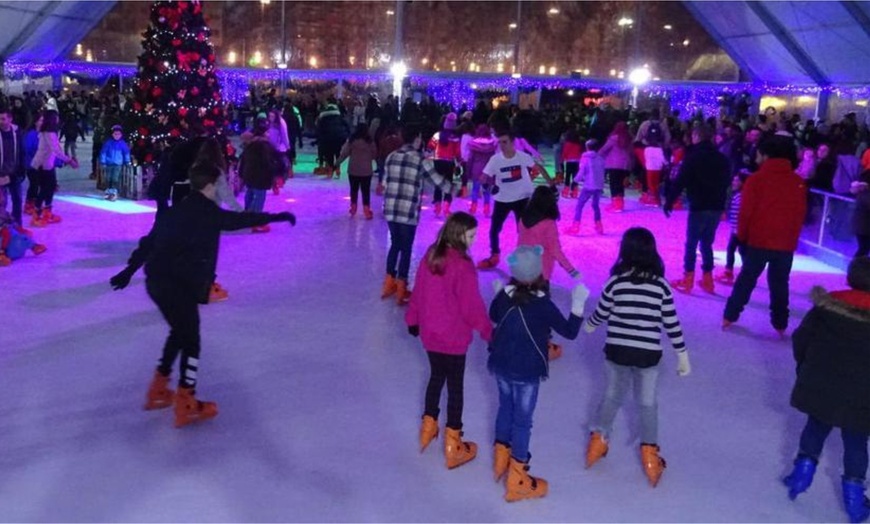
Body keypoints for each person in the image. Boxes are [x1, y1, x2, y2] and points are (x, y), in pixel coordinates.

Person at [108, 162, 296, 428]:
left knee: (179, 332)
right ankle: (186, 400)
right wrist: (276, 217)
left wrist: (128, 272)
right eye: (219, 184)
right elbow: (240, 220)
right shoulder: (208, 213)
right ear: (209, 186)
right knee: (191, 339)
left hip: (157, 282)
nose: (222, 188)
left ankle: (159, 388)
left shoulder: (177, 210)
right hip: (178, 286)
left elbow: (150, 242)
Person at [583, 227, 691, 487]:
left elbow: (602, 311)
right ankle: (650, 455)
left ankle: (597, 442)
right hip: (647, 355)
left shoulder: (616, 282)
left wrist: (590, 324)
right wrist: (682, 354)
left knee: (611, 395)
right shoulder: (661, 286)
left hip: (617, 351)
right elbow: (671, 323)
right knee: (647, 403)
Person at [487, 245, 587, 501]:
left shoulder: (505, 297)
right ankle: (517, 476)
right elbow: (569, 331)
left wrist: (498, 293)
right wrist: (577, 305)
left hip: (501, 364)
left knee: (505, 409)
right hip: (527, 371)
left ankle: (501, 459)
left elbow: (493, 315)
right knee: (522, 421)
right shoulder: (543, 304)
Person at [783, 257, 870, 524]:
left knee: (815, 427)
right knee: (856, 442)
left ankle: (800, 476)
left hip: (823, 383)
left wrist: (805, 367)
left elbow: (801, 338)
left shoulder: (826, 307)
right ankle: (855, 500)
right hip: (863, 393)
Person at [405, 212, 492, 469]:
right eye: (471, 235)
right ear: (458, 234)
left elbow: (418, 290)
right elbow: (472, 307)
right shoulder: (462, 266)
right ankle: (454, 443)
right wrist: (489, 332)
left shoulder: (432, 254)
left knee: (436, 377)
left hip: (430, 334)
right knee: (455, 386)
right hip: (453, 336)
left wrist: (413, 319)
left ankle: (428, 426)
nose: (474, 241)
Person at [723, 135, 807, 336]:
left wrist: (741, 237)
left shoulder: (756, 180)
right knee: (779, 284)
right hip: (785, 244)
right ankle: (780, 323)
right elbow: (799, 213)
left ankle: (730, 315)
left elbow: (746, 213)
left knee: (746, 280)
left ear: (766, 154)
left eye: (759, 153)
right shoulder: (798, 182)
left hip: (758, 241)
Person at [381, 124, 454, 305]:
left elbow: (384, 181)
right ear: (416, 139)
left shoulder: (391, 157)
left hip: (391, 210)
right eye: (420, 138)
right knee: (406, 249)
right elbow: (438, 181)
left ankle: (389, 282)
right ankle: (401, 287)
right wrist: (456, 189)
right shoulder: (420, 160)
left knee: (395, 245)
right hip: (408, 212)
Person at [664, 124, 731, 294]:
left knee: (692, 242)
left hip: (699, 204)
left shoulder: (693, 157)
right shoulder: (721, 158)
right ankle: (708, 280)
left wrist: (670, 200)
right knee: (707, 242)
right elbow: (727, 183)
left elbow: (681, 180)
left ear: (696, 136)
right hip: (716, 206)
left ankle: (688, 278)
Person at [478, 129, 553, 270]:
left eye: (505, 142)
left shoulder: (522, 157)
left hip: (522, 199)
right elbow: (483, 177)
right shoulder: (495, 159)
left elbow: (539, 168)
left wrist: (552, 185)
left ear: (513, 142)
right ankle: (494, 255)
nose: (501, 145)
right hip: (502, 200)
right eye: (499, 142)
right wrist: (489, 187)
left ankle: (525, 256)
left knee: (524, 229)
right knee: (494, 229)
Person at [29, 110, 76, 227]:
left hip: (47, 165)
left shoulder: (49, 132)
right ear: (53, 119)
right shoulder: (49, 133)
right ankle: (37, 214)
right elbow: (56, 150)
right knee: (45, 189)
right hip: (42, 165)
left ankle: (47, 212)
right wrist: (69, 160)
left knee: (50, 188)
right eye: (57, 117)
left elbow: (55, 150)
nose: (58, 119)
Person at [716, 172, 750, 285]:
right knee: (733, 250)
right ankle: (730, 271)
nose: (733, 183)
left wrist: (739, 229)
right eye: (734, 180)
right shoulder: (738, 195)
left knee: (741, 251)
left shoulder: (742, 197)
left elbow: (742, 215)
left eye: (737, 180)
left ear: (743, 183)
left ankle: (746, 273)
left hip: (740, 231)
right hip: (735, 230)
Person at [566, 139, 606, 235]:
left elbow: (581, 173)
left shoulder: (585, 159)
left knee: (579, 205)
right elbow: (602, 173)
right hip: (598, 186)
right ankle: (599, 225)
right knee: (595, 206)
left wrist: (574, 181)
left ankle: (576, 226)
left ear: (587, 147)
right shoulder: (601, 159)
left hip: (588, 186)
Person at [338, 123, 377, 219]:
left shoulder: (351, 141)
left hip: (353, 170)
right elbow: (375, 154)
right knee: (366, 190)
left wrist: (337, 162)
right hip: (366, 171)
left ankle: (353, 207)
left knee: (354, 189)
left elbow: (344, 153)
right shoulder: (370, 142)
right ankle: (366, 209)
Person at [430, 113, 462, 217]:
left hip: (438, 161)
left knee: (438, 185)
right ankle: (446, 207)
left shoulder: (437, 135)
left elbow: (430, 146)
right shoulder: (455, 138)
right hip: (450, 162)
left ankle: (437, 207)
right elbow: (457, 152)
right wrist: (459, 160)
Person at [0, 105, 26, 225]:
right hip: (1, 174)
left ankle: (17, 226)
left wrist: (21, 170)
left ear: (10, 119)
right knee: (1, 203)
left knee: (17, 200)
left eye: (3, 119)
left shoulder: (17, 133)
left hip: (14, 173)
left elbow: (21, 152)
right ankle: (2, 228)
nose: (1, 122)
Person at [601, 121, 634, 213]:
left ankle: (615, 204)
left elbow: (604, 149)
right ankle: (620, 204)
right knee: (620, 184)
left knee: (614, 184)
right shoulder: (629, 138)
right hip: (625, 165)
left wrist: (599, 155)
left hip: (613, 164)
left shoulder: (614, 138)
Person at [466, 123, 497, 216]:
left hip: (476, 169)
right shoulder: (492, 145)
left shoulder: (473, 145)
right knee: (487, 190)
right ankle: (486, 208)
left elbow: (470, 159)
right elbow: (493, 160)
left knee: (475, 189)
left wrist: (468, 171)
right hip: (488, 171)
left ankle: (473, 207)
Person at [98, 125, 131, 201]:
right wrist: (103, 161)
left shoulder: (122, 143)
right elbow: (103, 152)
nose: (117, 136)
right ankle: (108, 191)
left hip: (118, 164)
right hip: (109, 163)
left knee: (115, 178)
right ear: (112, 134)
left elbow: (126, 153)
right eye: (115, 134)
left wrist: (127, 161)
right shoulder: (108, 143)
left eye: (118, 134)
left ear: (121, 135)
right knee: (108, 178)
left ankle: (114, 192)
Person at [852, 171, 870, 258]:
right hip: (864, 228)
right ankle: (855, 267)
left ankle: (857, 266)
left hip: (862, 227)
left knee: (864, 249)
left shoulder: (862, 194)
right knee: (863, 249)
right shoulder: (865, 195)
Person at [560, 130, 583, 199]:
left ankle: (566, 191)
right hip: (577, 162)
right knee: (575, 177)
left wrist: (562, 159)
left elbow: (565, 152)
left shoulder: (567, 144)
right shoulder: (579, 144)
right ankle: (574, 191)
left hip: (569, 161)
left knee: (568, 176)